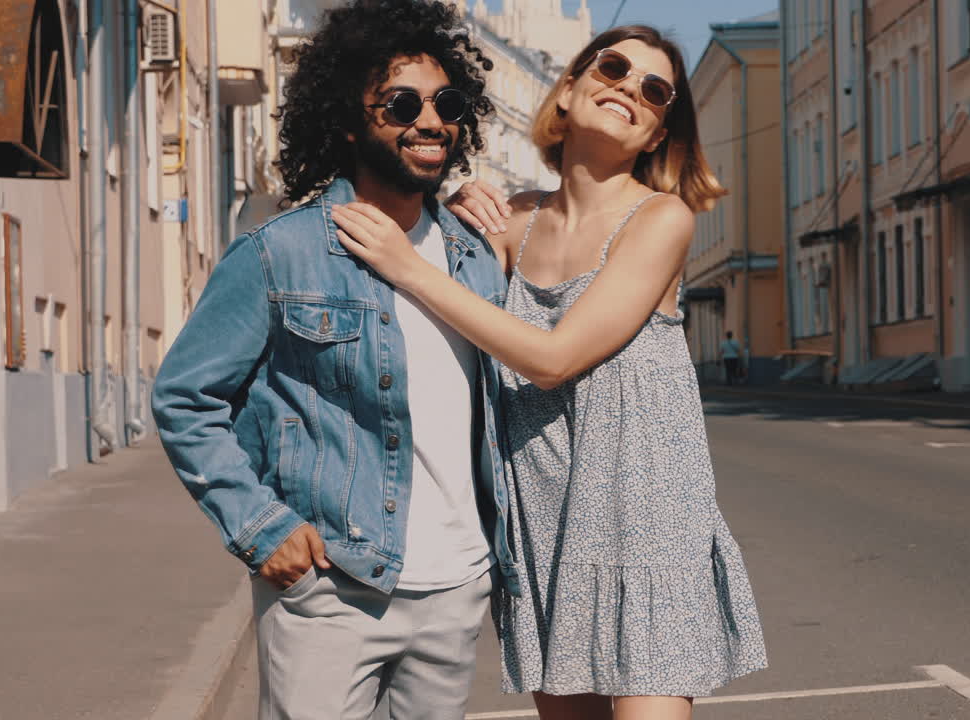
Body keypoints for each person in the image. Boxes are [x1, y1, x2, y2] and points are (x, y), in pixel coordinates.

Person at [333, 24, 767, 720]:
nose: (630, 88)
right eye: (613, 68)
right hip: (543, 513)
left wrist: (409, 266)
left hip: (645, 518)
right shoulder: (513, 222)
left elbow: (552, 359)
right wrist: (450, 207)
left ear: (658, 133)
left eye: (655, 90)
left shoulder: (663, 219)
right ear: (568, 90)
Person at [149, 2, 518, 718]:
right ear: (350, 121)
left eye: (447, 104)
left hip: (456, 589)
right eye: (402, 104)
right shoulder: (281, 253)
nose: (431, 121)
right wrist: (261, 527)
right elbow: (186, 397)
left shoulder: (474, 259)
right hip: (333, 587)